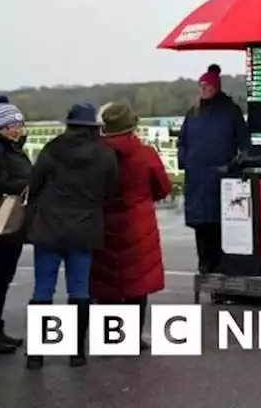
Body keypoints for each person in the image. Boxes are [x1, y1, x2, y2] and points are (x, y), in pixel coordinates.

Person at [24, 103, 118, 369]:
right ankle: (76, 352)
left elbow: (35, 185)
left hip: (49, 227)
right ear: (93, 128)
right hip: (85, 228)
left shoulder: (52, 149)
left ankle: (37, 355)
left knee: (43, 288)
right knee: (79, 289)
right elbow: (111, 191)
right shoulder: (104, 154)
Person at [91, 102, 172, 352]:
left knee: (105, 281)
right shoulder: (145, 153)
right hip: (138, 223)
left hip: (102, 221)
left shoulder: (95, 153)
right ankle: (132, 337)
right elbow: (163, 187)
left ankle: (108, 335)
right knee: (137, 283)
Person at [177, 64, 249, 274]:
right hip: (197, 177)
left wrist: (232, 167)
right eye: (201, 86)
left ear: (216, 87)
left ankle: (221, 267)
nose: (203, 89)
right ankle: (205, 264)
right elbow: (182, 141)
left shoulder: (230, 111)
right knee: (201, 225)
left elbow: (244, 142)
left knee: (221, 224)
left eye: (207, 85)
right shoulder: (193, 113)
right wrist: (186, 160)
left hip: (222, 177)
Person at [0, 102, 31, 354]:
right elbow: (3, 181)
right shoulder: (2, 150)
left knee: (4, 279)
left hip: (11, 223)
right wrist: (27, 184)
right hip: (2, 221)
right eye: (10, 126)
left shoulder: (13, 149)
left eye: (18, 125)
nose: (16, 130)